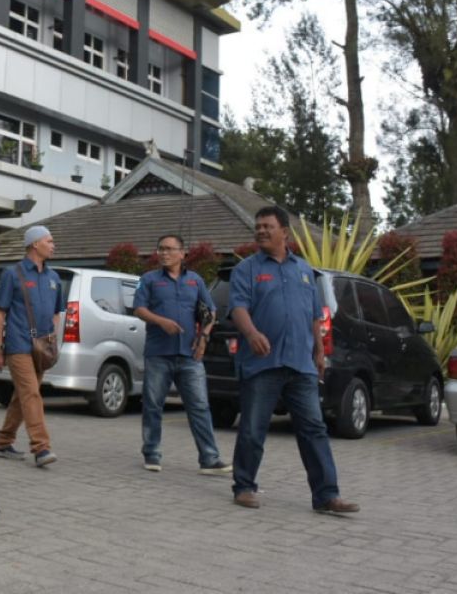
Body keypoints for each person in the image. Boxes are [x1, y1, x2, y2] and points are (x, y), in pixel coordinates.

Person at [229, 206, 360, 515]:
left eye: (267, 226)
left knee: (314, 428)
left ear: (284, 232)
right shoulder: (246, 269)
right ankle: (244, 487)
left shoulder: (304, 270)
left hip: (300, 364)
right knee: (252, 428)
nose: (260, 230)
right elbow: (238, 308)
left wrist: (319, 352)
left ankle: (327, 495)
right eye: (258, 226)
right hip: (262, 363)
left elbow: (315, 316)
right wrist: (251, 334)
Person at [132, 234, 231, 475]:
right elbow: (139, 309)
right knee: (154, 405)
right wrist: (161, 321)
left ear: (182, 253)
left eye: (169, 249)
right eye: (161, 249)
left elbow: (210, 312)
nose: (164, 253)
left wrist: (204, 338)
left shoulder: (195, 281)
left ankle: (209, 459)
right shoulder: (149, 280)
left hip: (189, 355)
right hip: (158, 354)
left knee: (199, 406)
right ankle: (152, 453)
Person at [0, 225, 63, 467]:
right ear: (35, 244)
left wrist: (52, 337)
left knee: (22, 397)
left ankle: (3, 442)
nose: (53, 245)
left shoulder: (54, 278)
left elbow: (56, 313)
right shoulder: (13, 274)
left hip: (42, 347)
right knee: (31, 393)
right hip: (18, 344)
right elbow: (0, 313)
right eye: (49, 241)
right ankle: (41, 448)